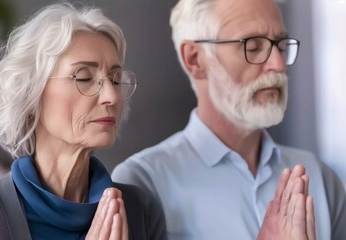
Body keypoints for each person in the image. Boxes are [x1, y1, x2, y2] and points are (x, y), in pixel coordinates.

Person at [112, 0, 346, 239]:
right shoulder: (141, 183)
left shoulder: (321, 179)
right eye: (253, 47)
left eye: (281, 45)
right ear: (195, 59)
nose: (277, 64)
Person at [0, 3, 166, 239]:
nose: (110, 96)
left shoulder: (141, 211)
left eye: (116, 79)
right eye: (85, 77)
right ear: (31, 94)